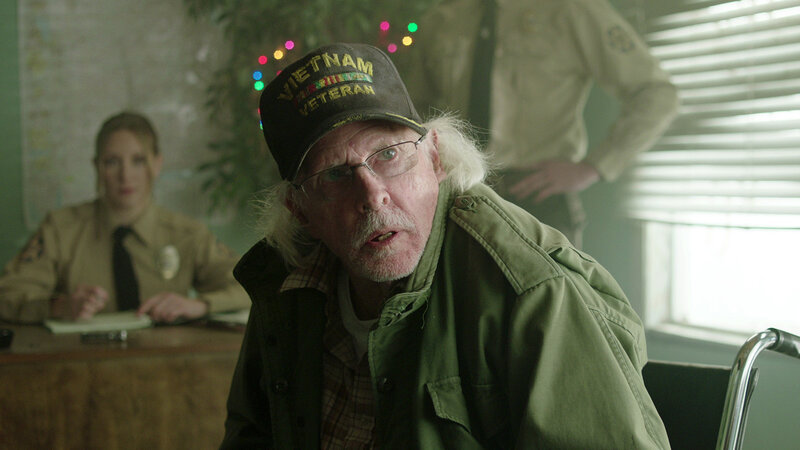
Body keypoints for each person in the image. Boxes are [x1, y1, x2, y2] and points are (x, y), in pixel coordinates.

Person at [221, 43, 669, 449]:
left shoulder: (534, 290)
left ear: (434, 158)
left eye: (389, 155)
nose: (373, 195)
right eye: (335, 174)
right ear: (299, 210)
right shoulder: (286, 284)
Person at [402, 0, 680, 247]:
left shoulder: (571, 9)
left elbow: (657, 93)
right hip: (455, 200)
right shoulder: (443, 17)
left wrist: (595, 166)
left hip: (538, 202)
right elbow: (413, 112)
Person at [0, 112, 250, 324]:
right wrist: (60, 306)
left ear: (157, 164)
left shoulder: (187, 234)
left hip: (168, 362)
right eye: (112, 162)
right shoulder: (60, 230)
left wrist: (199, 305)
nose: (125, 175)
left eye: (138, 161)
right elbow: (8, 294)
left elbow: (252, 285)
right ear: (97, 167)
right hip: (80, 361)